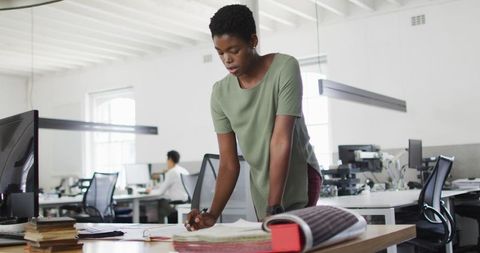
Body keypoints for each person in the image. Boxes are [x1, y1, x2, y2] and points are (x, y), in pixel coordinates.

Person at [185, 4, 323, 231]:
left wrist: (274, 207)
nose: (227, 59)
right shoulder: (220, 94)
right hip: (262, 185)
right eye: (220, 53)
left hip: (300, 176)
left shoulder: (285, 68)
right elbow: (229, 163)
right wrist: (211, 214)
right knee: (274, 243)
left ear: (253, 41)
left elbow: (281, 141)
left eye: (234, 50)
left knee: (293, 243)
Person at [155, 150, 189, 223]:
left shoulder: (172, 172)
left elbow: (160, 192)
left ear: (170, 160)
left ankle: (159, 228)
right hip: (186, 203)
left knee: (160, 204)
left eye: (167, 160)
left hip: (176, 205)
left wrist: (150, 191)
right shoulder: (184, 170)